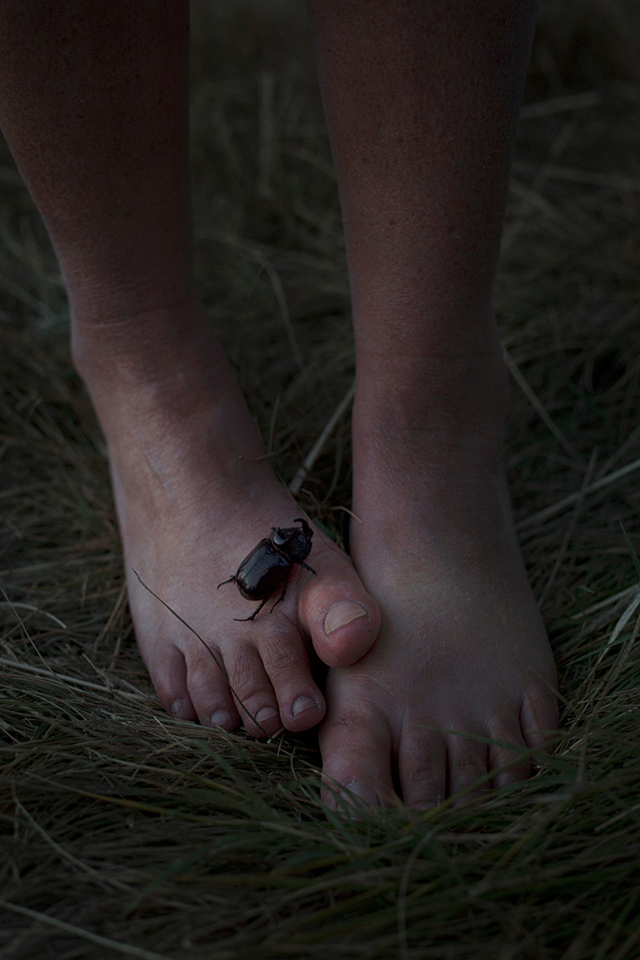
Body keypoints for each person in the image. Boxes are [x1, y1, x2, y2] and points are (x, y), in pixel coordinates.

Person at [0, 0, 558, 809]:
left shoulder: (276, 559)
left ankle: (432, 413)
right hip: (257, 576)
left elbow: (265, 569)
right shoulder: (277, 561)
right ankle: (148, 368)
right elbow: (267, 570)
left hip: (255, 576)